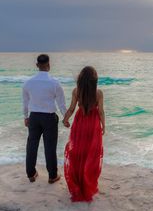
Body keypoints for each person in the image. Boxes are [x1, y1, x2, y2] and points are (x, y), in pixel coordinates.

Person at [63, 66, 105, 202]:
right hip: (93, 124)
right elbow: (101, 111)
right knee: (91, 153)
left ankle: (78, 182)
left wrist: (65, 119)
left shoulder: (76, 91)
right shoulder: (98, 93)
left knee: (78, 152)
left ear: (81, 79)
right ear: (94, 80)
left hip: (80, 122)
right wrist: (104, 125)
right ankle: (87, 182)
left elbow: (71, 108)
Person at [22, 54, 66, 183]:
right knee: (50, 147)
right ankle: (52, 176)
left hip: (34, 117)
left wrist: (25, 116)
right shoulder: (54, 83)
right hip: (49, 118)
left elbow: (25, 102)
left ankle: (31, 173)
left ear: (37, 65)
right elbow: (61, 104)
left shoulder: (28, 83)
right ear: (49, 65)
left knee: (31, 145)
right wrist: (66, 118)